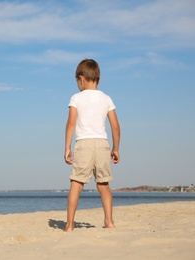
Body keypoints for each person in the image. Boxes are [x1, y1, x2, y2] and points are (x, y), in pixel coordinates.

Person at [63, 59, 120, 232]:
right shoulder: (106, 98)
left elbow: (71, 123)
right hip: (102, 144)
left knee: (76, 184)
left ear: (81, 79)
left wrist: (67, 147)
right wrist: (116, 148)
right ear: (98, 79)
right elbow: (115, 126)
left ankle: (70, 224)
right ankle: (109, 221)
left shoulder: (76, 98)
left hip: (84, 144)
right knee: (104, 185)